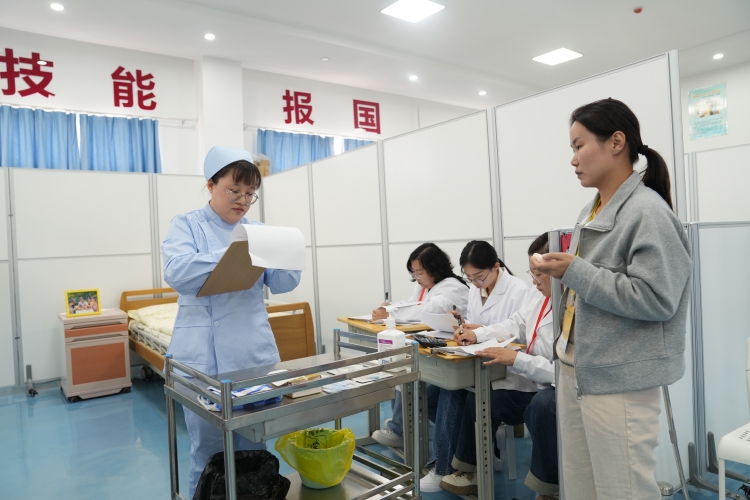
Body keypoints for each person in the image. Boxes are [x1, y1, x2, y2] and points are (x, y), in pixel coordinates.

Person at [537, 98, 691, 499]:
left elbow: (657, 299)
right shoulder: (591, 210)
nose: (573, 159)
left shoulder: (647, 212)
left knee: (623, 490)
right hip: (578, 368)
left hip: (619, 379)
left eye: (579, 145)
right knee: (581, 486)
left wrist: (574, 270)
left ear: (617, 142)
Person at [162, 146, 301, 499]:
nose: (243, 201)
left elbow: (282, 283)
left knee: (254, 447)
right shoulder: (186, 224)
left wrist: (288, 256)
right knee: (208, 452)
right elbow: (177, 272)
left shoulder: (259, 230)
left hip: (252, 355)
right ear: (211, 185)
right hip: (203, 360)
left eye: (250, 194)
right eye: (234, 191)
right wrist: (234, 253)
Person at [438, 234, 557, 498]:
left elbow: (562, 371)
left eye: (540, 274)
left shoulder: (570, 305)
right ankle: (469, 472)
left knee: (543, 406)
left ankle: (549, 490)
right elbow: (514, 324)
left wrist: (516, 359)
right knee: (479, 396)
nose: (534, 281)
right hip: (527, 377)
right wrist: (477, 334)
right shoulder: (538, 296)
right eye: (532, 273)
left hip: (549, 386)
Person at [420, 240, 528, 492]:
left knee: (454, 391)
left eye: (479, 276)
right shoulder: (474, 289)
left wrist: (480, 332)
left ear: (496, 266)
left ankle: (445, 467)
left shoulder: (518, 290)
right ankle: (480, 447)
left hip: (508, 369)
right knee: (431, 395)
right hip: (476, 361)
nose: (475, 283)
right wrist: (464, 326)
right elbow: (478, 323)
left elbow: (518, 333)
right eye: (469, 278)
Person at [370, 243, 469, 449]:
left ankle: (401, 429)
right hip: (435, 347)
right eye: (414, 273)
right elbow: (411, 304)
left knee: (409, 374)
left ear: (435, 269)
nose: (416, 278)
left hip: (455, 356)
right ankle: (401, 425)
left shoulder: (452, 287)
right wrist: (391, 308)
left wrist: (390, 314)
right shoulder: (426, 285)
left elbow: (427, 310)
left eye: (420, 273)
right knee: (401, 368)